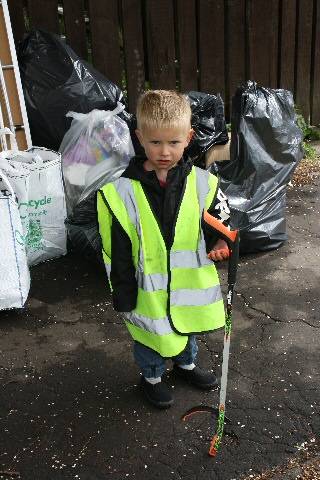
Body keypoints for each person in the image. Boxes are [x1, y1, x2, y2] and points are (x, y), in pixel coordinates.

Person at [97, 90, 231, 409]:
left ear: (188, 137)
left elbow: (221, 220)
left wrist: (221, 242)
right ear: (140, 137)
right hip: (147, 291)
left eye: (173, 142)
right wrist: (124, 292)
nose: (164, 151)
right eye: (155, 142)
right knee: (151, 336)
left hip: (187, 287)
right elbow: (115, 248)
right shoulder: (118, 192)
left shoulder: (204, 183)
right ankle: (152, 377)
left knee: (186, 328)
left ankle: (185, 366)